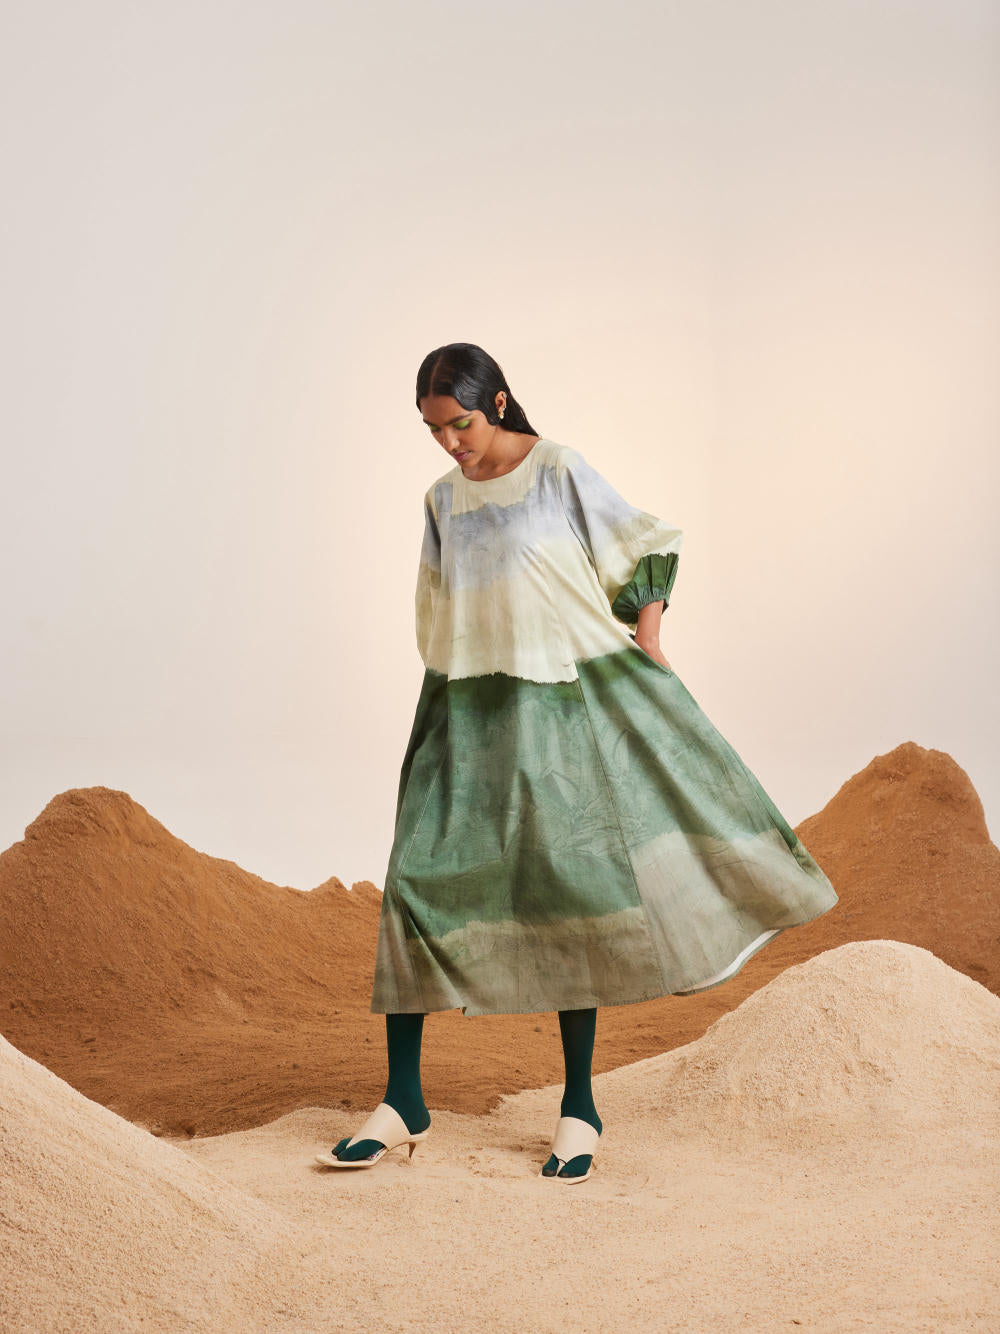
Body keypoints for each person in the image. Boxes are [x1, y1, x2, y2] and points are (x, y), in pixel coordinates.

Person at [315, 342, 839, 1183]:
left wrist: (649, 639)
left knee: (570, 887)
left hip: (564, 708)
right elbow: (437, 611)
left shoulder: (557, 471)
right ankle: (403, 1099)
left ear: (499, 401)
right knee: (414, 883)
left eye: (460, 423)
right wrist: (453, 701)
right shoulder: (442, 500)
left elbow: (639, 544)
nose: (449, 442)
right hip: (465, 707)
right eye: (434, 430)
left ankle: (579, 1107)